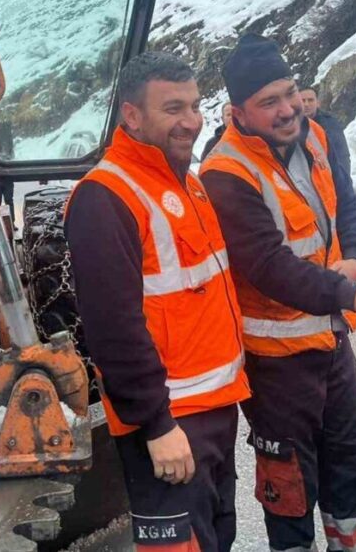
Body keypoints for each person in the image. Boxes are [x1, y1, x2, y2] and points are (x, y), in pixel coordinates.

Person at [200, 34, 356, 552]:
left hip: (332, 342)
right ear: (237, 111)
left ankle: (349, 544)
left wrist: (355, 261)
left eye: (290, 92)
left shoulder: (316, 137)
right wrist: (350, 295)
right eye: (269, 101)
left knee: (351, 456)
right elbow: (271, 268)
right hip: (276, 362)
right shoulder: (225, 174)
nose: (287, 108)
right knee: (289, 482)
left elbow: (349, 210)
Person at [65, 52, 251, 552]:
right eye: (173, 109)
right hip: (170, 421)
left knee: (215, 535)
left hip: (213, 408)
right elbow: (113, 329)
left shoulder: (185, 182)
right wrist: (156, 423)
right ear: (132, 116)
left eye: (194, 106)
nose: (191, 121)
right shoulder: (105, 197)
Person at [300, 85, 353, 187]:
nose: (306, 104)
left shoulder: (330, 124)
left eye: (310, 100)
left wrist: (344, 185)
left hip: (330, 181)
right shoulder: (288, 126)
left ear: (317, 103)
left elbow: (342, 157)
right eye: (303, 100)